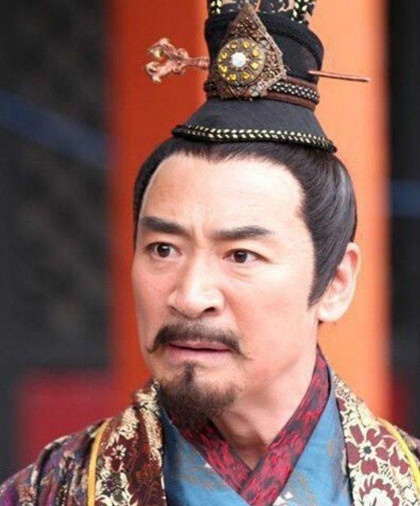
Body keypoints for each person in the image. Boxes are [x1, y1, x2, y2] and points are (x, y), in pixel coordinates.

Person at [1, 1, 420, 505]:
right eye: (163, 249)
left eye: (240, 255)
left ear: (335, 282)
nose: (190, 295)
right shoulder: (52, 492)